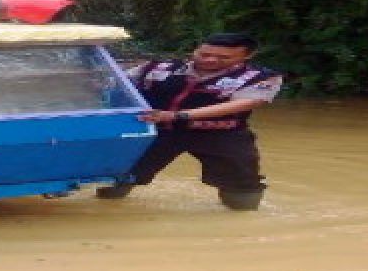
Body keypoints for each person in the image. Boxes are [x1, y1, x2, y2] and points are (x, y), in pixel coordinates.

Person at [97, 32, 283, 210]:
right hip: (158, 131)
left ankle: (242, 225)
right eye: (204, 54)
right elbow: (117, 84)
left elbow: (244, 103)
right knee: (121, 174)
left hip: (222, 135)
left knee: (242, 185)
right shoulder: (157, 68)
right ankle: (104, 207)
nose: (210, 60)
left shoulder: (261, 77)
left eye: (223, 58)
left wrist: (178, 115)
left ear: (247, 55)